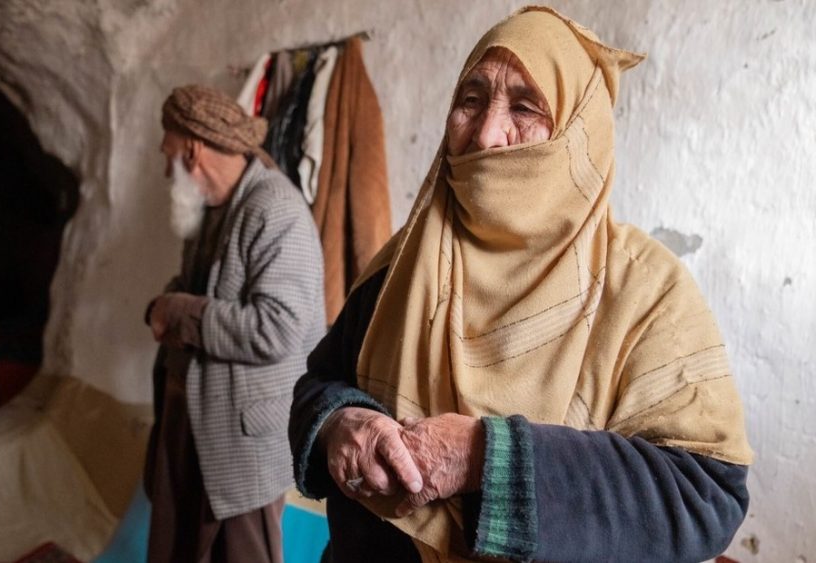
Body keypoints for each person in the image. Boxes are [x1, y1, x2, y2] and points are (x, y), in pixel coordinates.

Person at [289, 7, 752, 562]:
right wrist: (341, 421)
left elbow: (704, 492)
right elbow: (320, 383)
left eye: (526, 107)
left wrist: (486, 456)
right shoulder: (402, 265)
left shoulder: (646, 294)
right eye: (471, 100)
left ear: (580, 135)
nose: (486, 134)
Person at [144, 84, 325, 563]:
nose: (166, 169)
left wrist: (176, 311)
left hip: (239, 446)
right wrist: (166, 302)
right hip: (188, 423)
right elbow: (193, 285)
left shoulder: (276, 210)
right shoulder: (210, 210)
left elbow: (276, 329)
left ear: (194, 148)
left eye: (169, 154)